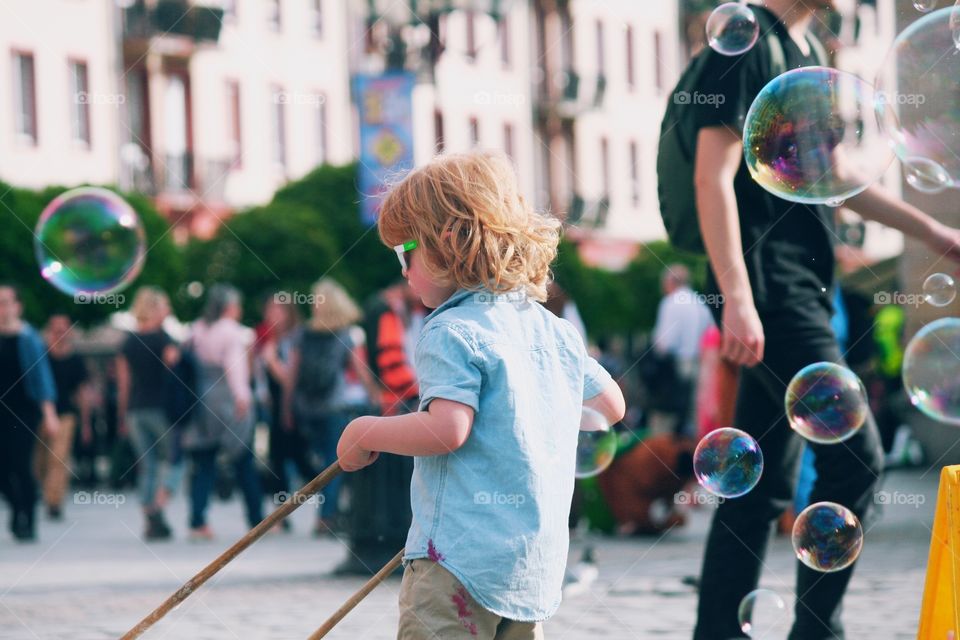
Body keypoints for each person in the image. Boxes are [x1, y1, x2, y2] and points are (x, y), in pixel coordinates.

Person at [685, 1, 960, 637]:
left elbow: (833, 177)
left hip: (804, 288)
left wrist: (933, 230)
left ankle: (716, 632)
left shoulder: (803, 56)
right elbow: (711, 178)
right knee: (856, 457)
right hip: (771, 290)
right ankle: (818, 629)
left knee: (756, 484)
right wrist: (738, 298)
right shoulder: (746, 45)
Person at [336, 151, 625, 639]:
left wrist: (366, 432)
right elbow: (610, 405)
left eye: (405, 251)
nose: (403, 269)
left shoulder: (450, 328)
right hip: (529, 567)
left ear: (447, 243)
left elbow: (448, 429)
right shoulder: (552, 329)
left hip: (456, 562)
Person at [286, 278, 379, 534]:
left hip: (305, 407)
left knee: (317, 462)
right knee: (335, 461)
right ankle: (326, 517)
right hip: (334, 407)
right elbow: (359, 370)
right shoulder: (346, 333)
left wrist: (286, 408)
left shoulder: (302, 334)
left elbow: (291, 374)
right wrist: (375, 395)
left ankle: (324, 511)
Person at [185, 284, 263, 540]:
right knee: (243, 461)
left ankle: (197, 522)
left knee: (204, 463)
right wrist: (243, 397)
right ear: (230, 307)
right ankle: (256, 520)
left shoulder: (197, 329)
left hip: (202, 400)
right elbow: (235, 367)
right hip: (227, 399)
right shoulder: (231, 332)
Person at [117, 287, 182, 540]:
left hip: (135, 411)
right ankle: (158, 506)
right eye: (165, 306)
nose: (169, 311)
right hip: (161, 409)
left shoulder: (128, 342)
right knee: (176, 459)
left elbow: (124, 384)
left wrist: (123, 417)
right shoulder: (165, 341)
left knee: (148, 466)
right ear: (156, 308)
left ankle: (150, 517)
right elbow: (175, 376)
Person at [0, 284, 59, 541]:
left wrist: (49, 413)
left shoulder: (29, 337)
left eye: (6, 301)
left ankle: (29, 521)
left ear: (17, 306)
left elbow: (41, 377)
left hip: (24, 412)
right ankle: (15, 509)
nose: (2, 308)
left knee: (22, 466)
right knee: (2, 470)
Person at [256, 293, 313, 530]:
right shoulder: (270, 339)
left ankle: (330, 502)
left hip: (291, 408)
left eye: (277, 310)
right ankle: (281, 515)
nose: (272, 315)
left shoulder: (293, 338)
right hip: (274, 407)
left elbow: (290, 378)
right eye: (269, 310)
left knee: (300, 460)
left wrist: (271, 362)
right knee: (277, 461)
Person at [648, 264, 714, 437]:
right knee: (691, 421)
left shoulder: (670, 302)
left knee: (665, 422)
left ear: (670, 282)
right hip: (699, 365)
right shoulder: (700, 302)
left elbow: (663, 343)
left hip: (674, 367)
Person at [36, 315, 91, 521]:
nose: (60, 334)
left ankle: (54, 501)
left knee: (58, 459)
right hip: (40, 413)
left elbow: (83, 392)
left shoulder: (75, 359)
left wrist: (86, 424)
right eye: (56, 329)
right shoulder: (40, 355)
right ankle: (46, 493)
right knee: (39, 460)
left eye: (64, 329)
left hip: (66, 415)